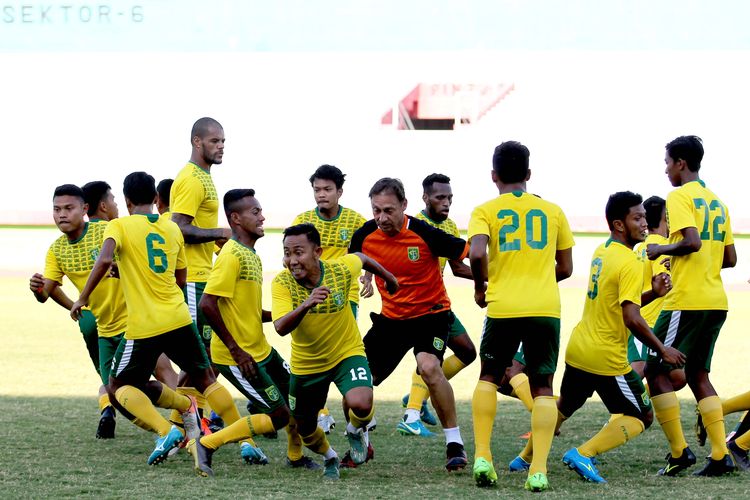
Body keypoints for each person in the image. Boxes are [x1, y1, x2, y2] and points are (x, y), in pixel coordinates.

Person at [70, 172, 244, 465]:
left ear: (126, 201)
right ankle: (246, 441)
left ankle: (167, 430)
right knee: (206, 378)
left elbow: (103, 260)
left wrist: (83, 297)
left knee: (117, 387)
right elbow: (180, 278)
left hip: (143, 325)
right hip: (178, 316)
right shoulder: (171, 229)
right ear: (155, 199)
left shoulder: (119, 226)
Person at [513, 191, 685, 485]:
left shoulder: (602, 251)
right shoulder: (630, 262)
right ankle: (584, 453)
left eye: (645, 216)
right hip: (606, 357)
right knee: (641, 417)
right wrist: (662, 349)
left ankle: (525, 457)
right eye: (638, 217)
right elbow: (630, 317)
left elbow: (616, 303)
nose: (645, 223)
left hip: (580, 348)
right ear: (619, 224)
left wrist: (652, 293)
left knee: (564, 407)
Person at [467, 141, 574, 491]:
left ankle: (483, 456)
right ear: (529, 175)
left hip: (504, 307)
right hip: (545, 308)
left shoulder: (484, 210)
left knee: (488, 376)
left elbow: (478, 252)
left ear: (493, 175)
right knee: (543, 385)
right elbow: (566, 268)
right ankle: (538, 470)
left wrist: (482, 286)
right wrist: (539, 280)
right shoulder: (553, 211)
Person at [349, 177, 469, 471]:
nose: (381, 218)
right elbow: (356, 259)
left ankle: (455, 443)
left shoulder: (425, 232)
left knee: (429, 367)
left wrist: (491, 280)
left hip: (432, 314)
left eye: (388, 210)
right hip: (392, 319)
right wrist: (365, 277)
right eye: (376, 210)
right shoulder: (365, 234)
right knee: (357, 385)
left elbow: (467, 252)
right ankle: (358, 437)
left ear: (404, 205)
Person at [188, 189, 311, 476]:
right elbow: (207, 303)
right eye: (255, 212)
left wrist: (292, 314)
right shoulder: (231, 254)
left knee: (297, 400)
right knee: (279, 415)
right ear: (236, 218)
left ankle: (295, 457)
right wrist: (235, 349)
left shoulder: (251, 255)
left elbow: (248, 311)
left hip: (261, 349)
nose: (262, 216)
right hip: (238, 356)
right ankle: (206, 444)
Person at [272, 223, 399, 480]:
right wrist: (306, 304)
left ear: (317, 252)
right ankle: (330, 457)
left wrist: (389, 277)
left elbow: (361, 258)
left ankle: (354, 431)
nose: (292, 260)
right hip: (307, 364)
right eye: (287, 253)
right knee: (306, 430)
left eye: (299, 252)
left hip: (346, 352)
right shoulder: (282, 282)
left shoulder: (339, 270)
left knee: (361, 403)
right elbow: (280, 327)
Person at [646, 135, 737, 476]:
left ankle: (679, 452)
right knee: (699, 375)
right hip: (716, 300)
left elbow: (692, 242)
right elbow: (730, 258)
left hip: (688, 300)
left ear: (681, 163)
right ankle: (719, 455)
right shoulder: (718, 202)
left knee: (655, 372)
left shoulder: (680, 195)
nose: (666, 168)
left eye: (668, 162)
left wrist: (661, 251)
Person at [30, 184, 127, 439]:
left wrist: (76, 304)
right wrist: (37, 288)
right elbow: (45, 293)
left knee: (111, 379)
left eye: (68, 208)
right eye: (56, 209)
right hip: (106, 321)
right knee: (150, 372)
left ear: (84, 209)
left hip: (115, 318)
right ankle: (184, 418)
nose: (62, 214)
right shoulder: (57, 249)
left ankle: (108, 410)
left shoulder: (104, 230)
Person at [398, 173, 477, 435]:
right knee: (429, 359)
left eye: (450, 198)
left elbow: (458, 267)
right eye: (440, 197)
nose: (446, 202)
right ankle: (412, 414)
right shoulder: (412, 225)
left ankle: (419, 400)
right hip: (415, 308)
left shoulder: (450, 227)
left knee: (467, 352)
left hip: (438, 305)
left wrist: (492, 276)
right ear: (425, 198)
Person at [292, 164, 367, 434]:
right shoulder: (303, 220)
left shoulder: (356, 221)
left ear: (340, 192)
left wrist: (368, 278)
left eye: (327, 189)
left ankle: (355, 402)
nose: (321, 194)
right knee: (314, 350)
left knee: (341, 351)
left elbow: (365, 255)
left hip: (345, 296)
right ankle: (322, 411)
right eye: (317, 190)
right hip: (309, 294)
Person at [170, 117, 232, 425]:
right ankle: (186, 418)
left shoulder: (205, 177)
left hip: (205, 274)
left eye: (223, 141)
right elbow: (177, 227)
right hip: (193, 278)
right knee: (203, 355)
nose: (221, 146)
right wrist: (221, 232)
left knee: (205, 354)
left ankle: (185, 419)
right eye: (214, 141)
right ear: (197, 142)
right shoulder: (192, 179)